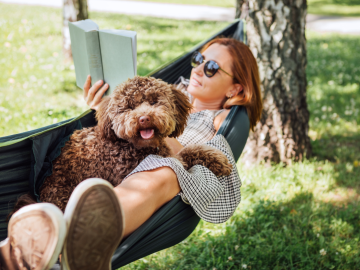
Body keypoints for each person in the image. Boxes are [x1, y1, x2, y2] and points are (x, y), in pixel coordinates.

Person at [0, 38, 262, 270]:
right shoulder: (165, 90)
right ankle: (22, 250)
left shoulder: (223, 118)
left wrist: (165, 138)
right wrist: (103, 107)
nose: (198, 69)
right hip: (107, 171)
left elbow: (216, 157)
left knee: (163, 171)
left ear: (234, 89)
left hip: (168, 173)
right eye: (198, 59)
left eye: (212, 68)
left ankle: (66, 241)